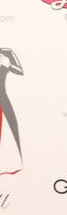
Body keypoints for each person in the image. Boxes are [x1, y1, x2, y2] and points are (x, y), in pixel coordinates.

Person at [0, 47, 24, 175]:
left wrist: (8, 63)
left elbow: (20, 71)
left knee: (9, 127)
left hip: (2, 98)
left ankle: (9, 163)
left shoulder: (5, 54)